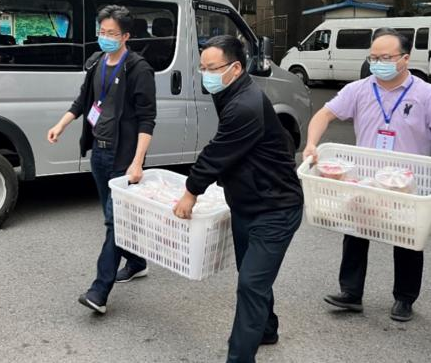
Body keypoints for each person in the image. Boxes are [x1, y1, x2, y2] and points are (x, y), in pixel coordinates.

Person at [173, 35, 304, 362]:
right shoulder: (230, 93)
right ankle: (267, 329)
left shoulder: (245, 104)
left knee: (250, 284)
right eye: (202, 68)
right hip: (248, 204)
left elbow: (217, 153)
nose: (205, 75)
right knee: (252, 275)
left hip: (276, 209)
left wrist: (191, 192)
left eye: (211, 68)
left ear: (235, 68)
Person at [304, 27, 427, 323]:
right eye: (373, 57)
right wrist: (311, 143)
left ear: (405, 58)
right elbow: (324, 114)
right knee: (356, 232)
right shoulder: (359, 89)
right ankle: (350, 293)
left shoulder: (424, 93)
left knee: (407, 239)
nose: (378, 63)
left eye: (385, 58)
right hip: (367, 176)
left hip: (407, 181)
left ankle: (404, 298)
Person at [47, 5, 155, 314]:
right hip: (100, 152)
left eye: (111, 33)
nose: (105, 37)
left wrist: (137, 162)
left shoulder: (138, 69)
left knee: (114, 221)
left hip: (124, 156)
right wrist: (61, 125)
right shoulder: (97, 62)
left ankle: (99, 290)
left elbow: (147, 119)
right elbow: (83, 101)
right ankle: (137, 261)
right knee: (116, 217)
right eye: (101, 32)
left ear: (126, 36)